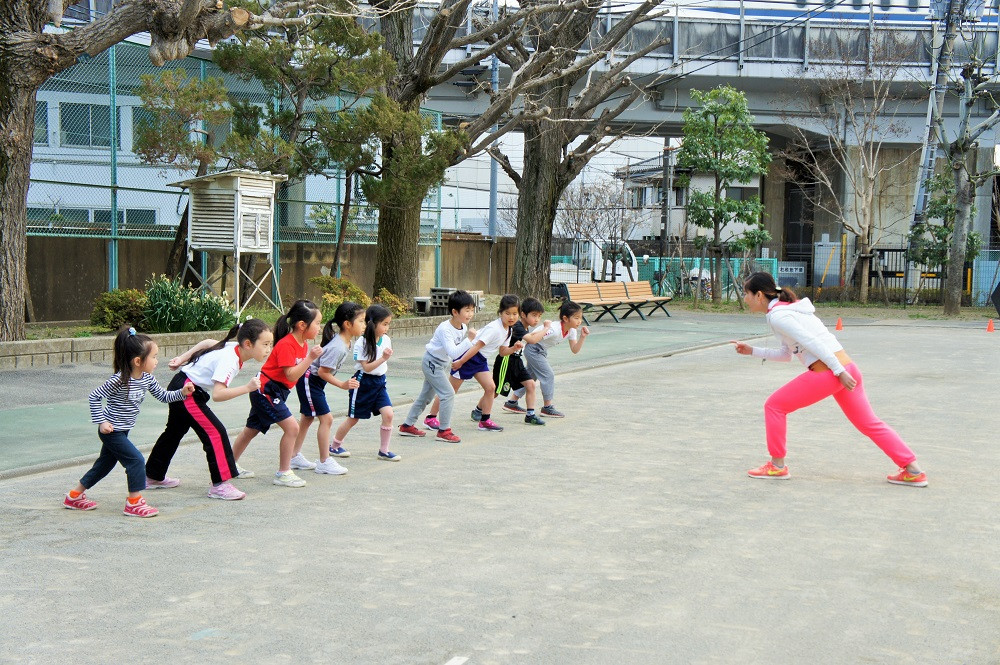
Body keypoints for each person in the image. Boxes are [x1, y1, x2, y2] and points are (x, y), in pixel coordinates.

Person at [732, 271, 927, 487]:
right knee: (869, 423)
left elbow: (813, 343)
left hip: (832, 372)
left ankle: (777, 466)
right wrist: (752, 351)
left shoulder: (778, 316)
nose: (745, 298)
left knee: (774, 406)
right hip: (848, 367)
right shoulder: (789, 309)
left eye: (746, 293)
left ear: (759, 295)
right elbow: (786, 355)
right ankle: (913, 470)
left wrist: (838, 372)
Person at [63, 326, 194, 517]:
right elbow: (94, 396)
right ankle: (134, 502)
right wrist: (101, 422)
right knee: (136, 460)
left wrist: (182, 392)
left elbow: (164, 396)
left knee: (104, 465)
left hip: (123, 430)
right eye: (154, 357)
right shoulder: (119, 380)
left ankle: (74, 496)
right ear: (138, 361)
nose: (157, 361)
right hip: (111, 431)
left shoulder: (147, 379)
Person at [143, 319, 273, 501]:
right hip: (188, 391)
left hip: (183, 384)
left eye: (270, 344)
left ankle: (152, 476)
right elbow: (218, 395)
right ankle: (220, 485)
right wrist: (247, 388)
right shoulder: (230, 360)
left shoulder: (232, 347)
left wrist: (182, 358)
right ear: (248, 344)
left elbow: (206, 343)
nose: (268, 349)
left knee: (173, 432)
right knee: (215, 433)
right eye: (265, 344)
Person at [231, 300, 323, 488]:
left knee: (251, 430)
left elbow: (293, 376)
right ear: (302, 325)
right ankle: (283, 473)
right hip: (266, 389)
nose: (319, 328)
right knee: (292, 428)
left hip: (275, 390)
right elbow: (291, 374)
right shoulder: (287, 344)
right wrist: (310, 359)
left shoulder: (303, 344)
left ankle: (227, 465)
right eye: (317, 323)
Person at [290, 302, 365, 475]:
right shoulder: (338, 346)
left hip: (314, 381)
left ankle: (293, 455)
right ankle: (324, 461)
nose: (364, 325)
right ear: (347, 324)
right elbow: (322, 372)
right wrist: (342, 385)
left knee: (308, 418)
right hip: (310, 380)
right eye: (361, 321)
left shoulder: (344, 343)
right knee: (327, 419)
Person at [398, 290, 477, 443]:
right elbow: (453, 352)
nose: (470, 314)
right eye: (467, 310)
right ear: (455, 312)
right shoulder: (445, 328)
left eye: (472, 310)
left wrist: (462, 357)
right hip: (432, 363)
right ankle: (444, 431)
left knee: (425, 397)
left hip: (439, 365)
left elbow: (455, 351)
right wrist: (469, 341)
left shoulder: (463, 327)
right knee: (448, 393)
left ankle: (407, 425)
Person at [332, 304, 400, 461]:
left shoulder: (386, 339)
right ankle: (335, 446)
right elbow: (367, 368)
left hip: (380, 382)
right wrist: (383, 358)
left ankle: (384, 450)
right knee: (353, 418)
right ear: (372, 323)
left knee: (388, 414)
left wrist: (384, 358)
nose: (387, 328)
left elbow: (380, 365)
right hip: (363, 383)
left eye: (388, 324)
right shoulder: (361, 343)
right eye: (384, 324)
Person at [503, 300, 590, 418]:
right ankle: (547, 407)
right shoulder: (553, 329)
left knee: (529, 377)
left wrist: (582, 337)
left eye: (580, 318)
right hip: (533, 349)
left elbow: (574, 350)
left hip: (541, 351)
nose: (579, 321)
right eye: (576, 318)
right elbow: (532, 337)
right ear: (565, 318)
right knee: (548, 375)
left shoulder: (572, 331)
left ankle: (511, 402)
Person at [452, 294, 522, 432]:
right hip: (469, 357)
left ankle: (485, 421)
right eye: (507, 313)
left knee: (491, 388)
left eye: (515, 314)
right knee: (449, 392)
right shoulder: (494, 329)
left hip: (480, 360)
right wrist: (460, 361)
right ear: (500, 313)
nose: (511, 317)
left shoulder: (508, 330)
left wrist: (514, 348)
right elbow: (476, 346)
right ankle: (431, 417)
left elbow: (502, 352)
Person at [494, 297, 547, 426]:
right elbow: (532, 340)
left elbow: (531, 337)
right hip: (506, 360)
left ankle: (530, 415)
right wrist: (546, 328)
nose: (537, 319)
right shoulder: (517, 326)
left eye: (539, 316)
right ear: (523, 314)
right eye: (534, 315)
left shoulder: (525, 327)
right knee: (494, 391)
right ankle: (479, 410)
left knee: (530, 384)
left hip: (517, 361)